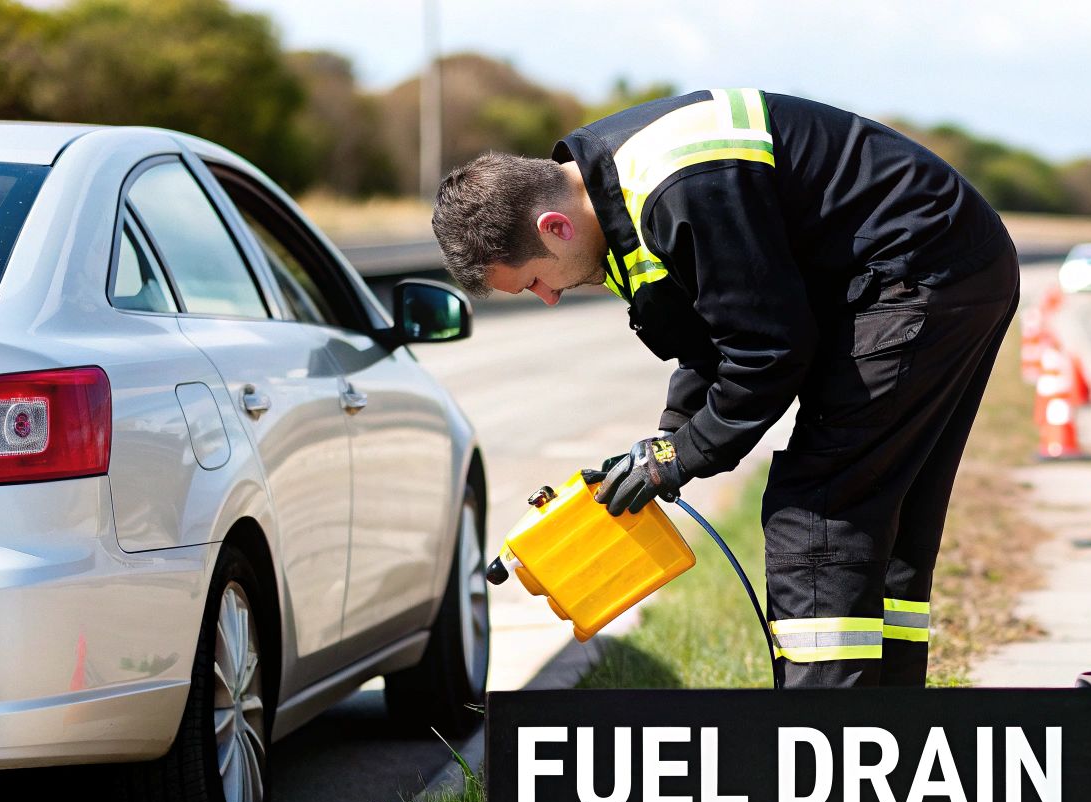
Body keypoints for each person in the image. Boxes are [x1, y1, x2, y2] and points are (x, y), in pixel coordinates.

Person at [431, 89, 1019, 688]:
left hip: (919, 272)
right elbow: (717, 332)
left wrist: (683, 457)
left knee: (819, 507)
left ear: (552, 227)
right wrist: (666, 440)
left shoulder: (678, 187)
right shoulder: (615, 192)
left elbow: (769, 350)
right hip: (941, 264)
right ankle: (887, 731)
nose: (549, 298)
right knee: (882, 512)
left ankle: (825, 744)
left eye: (534, 281)